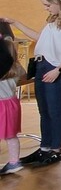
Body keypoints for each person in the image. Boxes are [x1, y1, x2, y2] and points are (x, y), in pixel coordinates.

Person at [2, 0, 61, 166]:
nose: (46, 8)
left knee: (55, 111)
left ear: (59, 2)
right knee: (44, 111)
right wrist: (15, 22)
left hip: (56, 68)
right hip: (42, 65)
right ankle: (45, 148)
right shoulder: (54, 20)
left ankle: (56, 150)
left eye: (48, 5)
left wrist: (59, 69)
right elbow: (39, 37)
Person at [0, 32, 24, 174]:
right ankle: (15, 162)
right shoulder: (17, 68)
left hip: (1, 105)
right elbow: (23, 76)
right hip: (12, 103)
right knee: (11, 135)